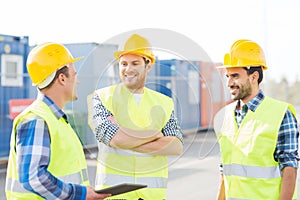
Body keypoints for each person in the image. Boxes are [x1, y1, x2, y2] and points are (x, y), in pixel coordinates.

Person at [5, 42, 111, 199]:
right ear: (62, 78)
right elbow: (33, 178)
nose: (78, 81)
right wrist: (80, 194)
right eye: (75, 75)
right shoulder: (37, 119)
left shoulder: (55, 119)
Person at [87, 34, 183, 199]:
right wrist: (156, 135)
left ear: (148, 65)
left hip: (152, 195)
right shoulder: (101, 98)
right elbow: (115, 139)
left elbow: (176, 146)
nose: (128, 69)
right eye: (123, 64)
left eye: (135, 63)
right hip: (116, 195)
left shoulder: (164, 103)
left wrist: (124, 136)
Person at [213, 39, 299, 200]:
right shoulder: (225, 117)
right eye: (227, 76)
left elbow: (289, 168)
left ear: (254, 77)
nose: (229, 83)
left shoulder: (281, 114)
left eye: (235, 76)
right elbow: (225, 170)